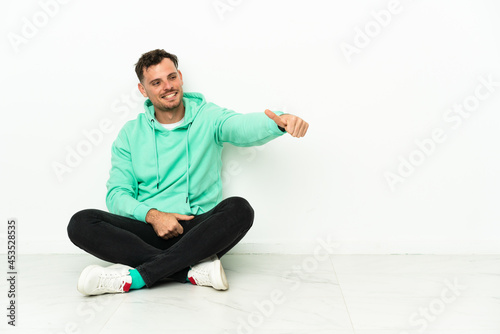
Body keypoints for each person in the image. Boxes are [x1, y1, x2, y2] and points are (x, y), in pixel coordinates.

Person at [67, 49, 309, 296]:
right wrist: (153, 215)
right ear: (143, 90)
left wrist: (277, 121)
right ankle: (188, 271)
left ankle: (138, 276)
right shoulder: (130, 134)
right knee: (81, 223)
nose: (167, 86)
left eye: (172, 77)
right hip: (148, 229)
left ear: (180, 77)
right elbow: (118, 194)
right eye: (156, 82)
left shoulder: (209, 116)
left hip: (197, 231)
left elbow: (240, 126)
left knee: (239, 209)